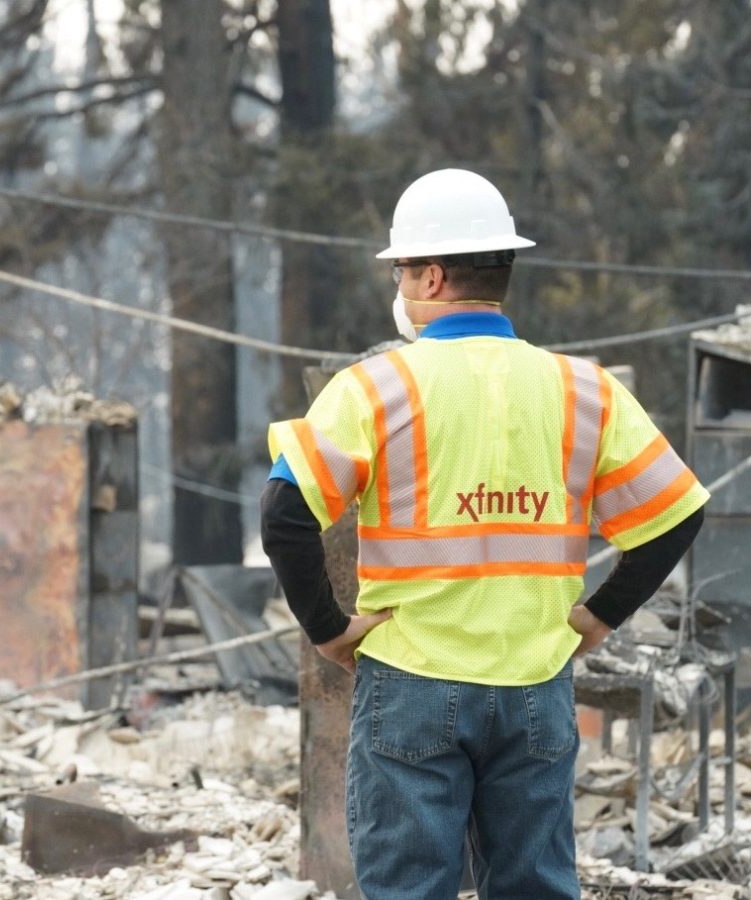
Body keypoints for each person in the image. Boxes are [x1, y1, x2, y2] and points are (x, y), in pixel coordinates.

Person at [260, 168, 709, 899]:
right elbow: (677, 512)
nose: (399, 285)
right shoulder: (584, 389)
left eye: (402, 269)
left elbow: (284, 512)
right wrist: (598, 617)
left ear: (431, 276)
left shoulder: (374, 387)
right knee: (534, 886)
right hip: (536, 684)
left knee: (409, 888)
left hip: (411, 678)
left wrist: (327, 630)